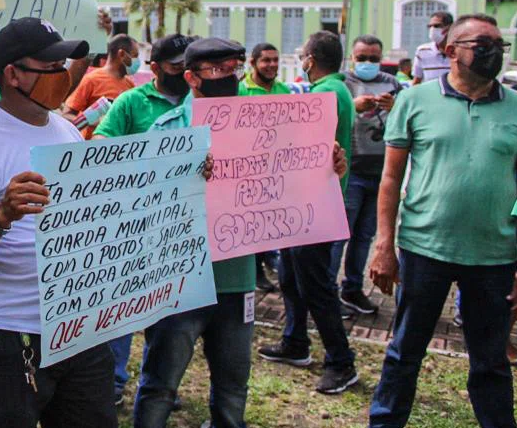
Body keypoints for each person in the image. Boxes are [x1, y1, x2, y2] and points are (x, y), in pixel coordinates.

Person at [135, 37, 347, 428]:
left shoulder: (266, 125)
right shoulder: (166, 129)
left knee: (233, 387)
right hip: (179, 282)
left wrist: (326, 165)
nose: (226, 77)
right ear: (191, 77)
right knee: (160, 387)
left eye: (232, 68)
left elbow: (294, 181)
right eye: (216, 70)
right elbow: (145, 200)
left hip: (236, 281)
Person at [0, 17, 114, 428]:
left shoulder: (65, 131)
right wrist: (0, 214)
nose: (62, 75)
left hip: (77, 324)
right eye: (51, 66)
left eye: (63, 66)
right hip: (9, 333)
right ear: (13, 75)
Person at [369, 13, 517, 428]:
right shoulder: (414, 100)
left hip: (494, 256)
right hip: (425, 248)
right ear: (450, 51)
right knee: (404, 352)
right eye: (482, 43)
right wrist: (384, 245)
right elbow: (390, 179)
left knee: (491, 361)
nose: (493, 52)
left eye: (499, 45)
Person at [91, 32, 193, 402]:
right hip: (134, 222)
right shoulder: (133, 101)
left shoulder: (202, 102)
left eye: (188, 67)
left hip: (180, 223)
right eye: (175, 67)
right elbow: (100, 141)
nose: (183, 73)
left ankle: (161, 382)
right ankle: (114, 383)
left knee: (168, 311)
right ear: (154, 69)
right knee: (123, 308)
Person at [260, 30, 359, 394]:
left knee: (316, 286)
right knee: (291, 275)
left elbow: (298, 146)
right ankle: (295, 341)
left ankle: (341, 362)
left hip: (314, 206)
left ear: (310, 60)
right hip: (303, 202)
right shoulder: (338, 90)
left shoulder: (323, 94)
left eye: (302, 55)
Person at [330, 35, 402, 317]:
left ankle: (353, 288)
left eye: (374, 58)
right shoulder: (343, 84)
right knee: (340, 235)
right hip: (352, 171)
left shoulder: (393, 83)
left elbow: (404, 118)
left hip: (382, 171)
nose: (368, 63)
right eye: (362, 58)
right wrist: (353, 105)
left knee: (364, 236)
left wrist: (393, 108)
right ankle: (329, 291)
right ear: (352, 58)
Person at [239, 42, 291, 293]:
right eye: (266, 61)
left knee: (270, 222)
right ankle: (255, 271)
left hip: (276, 170)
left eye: (275, 60)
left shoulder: (284, 90)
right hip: (248, 171)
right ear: (253, 63)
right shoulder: (241, 90)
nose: (271, 65)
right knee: (251, 224)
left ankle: (269, 261)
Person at [63, 34, 138, 139]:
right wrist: (92, 121)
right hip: (93, 149)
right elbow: (66, 116)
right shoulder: (91, 80)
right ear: (121, 54)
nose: (137, 61)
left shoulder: (130, 85)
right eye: (135, 56)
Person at [412, 11, 453, 84]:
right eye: (429, 26)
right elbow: (416, 81)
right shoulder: (422, 51)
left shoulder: (459, 51)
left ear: (449, 28)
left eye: (437, 26)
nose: (432, 29)